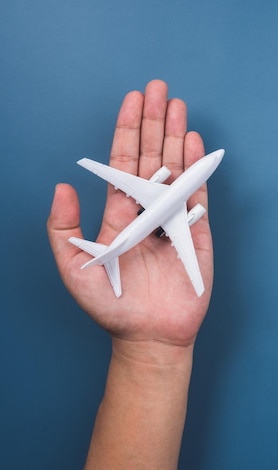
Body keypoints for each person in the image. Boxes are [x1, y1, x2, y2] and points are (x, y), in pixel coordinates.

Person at [47, 79, 213, 469]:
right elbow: (121, 180)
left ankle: (109, 256)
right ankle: (108, 256)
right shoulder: (179, 197)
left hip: (151, 211)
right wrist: (192, 216)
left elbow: (133, 186)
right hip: (135, 232)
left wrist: (164, 191)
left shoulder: (164, 195)